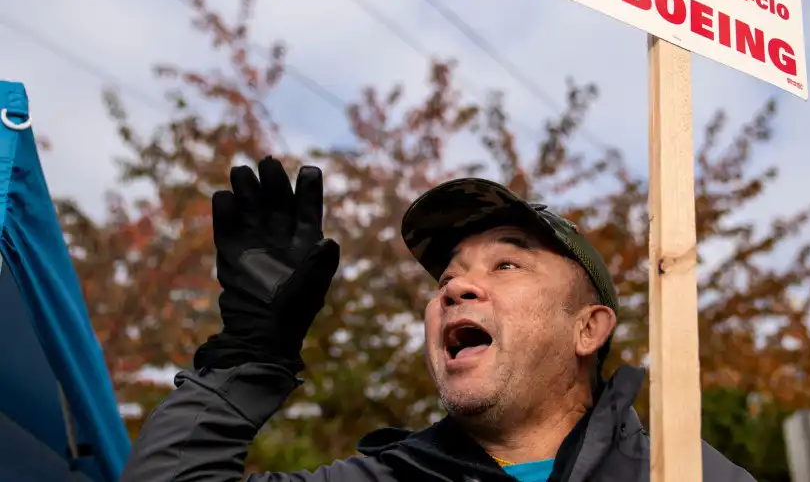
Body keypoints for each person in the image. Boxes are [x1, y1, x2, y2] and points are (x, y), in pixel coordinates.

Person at [119, 156, 755, 482]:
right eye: (448, 278)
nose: (457, 288)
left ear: (587, 329)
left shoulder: (684, 475)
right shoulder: (386, 480)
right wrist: (248, 353)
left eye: (506, 266)